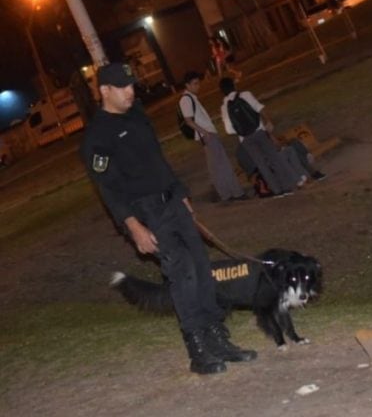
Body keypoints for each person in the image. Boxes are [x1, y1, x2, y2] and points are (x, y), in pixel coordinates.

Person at [79, 63, 257, 375]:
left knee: (201, 266)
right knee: (183, 273)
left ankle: (217, 338)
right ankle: (198, 348)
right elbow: (108, 189)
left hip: (171, 200)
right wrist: (133, 226)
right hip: (145, 212)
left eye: (132, 85)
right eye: (122, 87)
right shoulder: (97, 136)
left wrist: (181, 193)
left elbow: (157, 160)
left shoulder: (137, 115)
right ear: (104, 90)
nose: (130, 91)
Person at [219, 77, 307, 197]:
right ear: (233, 85)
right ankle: (287, 187)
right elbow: (260, 108)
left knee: (262, 165)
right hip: (259, 132)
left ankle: (277, 191)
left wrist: (241, 130)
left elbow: (229, 130)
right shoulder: (245, 95)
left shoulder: (224, 107)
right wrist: (268, 121)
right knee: (275, 159)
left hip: (246, 139)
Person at [179, 71, 248, 203]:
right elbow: (188, 120)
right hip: (208, 135)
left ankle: (227, 194)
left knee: (217, 166)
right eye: (194, 84)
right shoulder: (186, 99)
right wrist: (204, 132)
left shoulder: (190, 98)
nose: (198, 86)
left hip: (207, 135)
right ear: (187, 85)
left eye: (198, 83)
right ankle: (235, 193)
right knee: (222, 164)